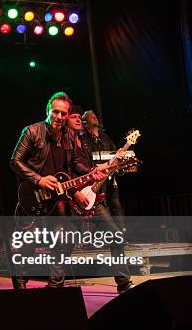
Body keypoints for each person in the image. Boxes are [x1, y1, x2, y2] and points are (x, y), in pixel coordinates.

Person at [10, 92, 103, 290]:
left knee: (64, 240)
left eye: (63, 113)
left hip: (58, 198)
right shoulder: (32, 131)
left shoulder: (70, 135)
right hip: (33, 195)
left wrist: (90, 173)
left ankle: (55, 287)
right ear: (48, 111)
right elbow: (15, 161)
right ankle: (20, 285)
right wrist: (39, 179)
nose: (59, 117)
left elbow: (75, 163)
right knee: (27, 246)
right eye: (56, 112)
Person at [67, 106, 134, 293]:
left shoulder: (85, 143)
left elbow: (92, 170)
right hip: (72, 199)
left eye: (79, 117)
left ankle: (124, 283)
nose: (78, 119)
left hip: (94, 199)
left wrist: (114, 162)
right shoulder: (64, 144)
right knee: (64, 246)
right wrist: (74, 192)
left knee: (116, 237)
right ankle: (55, 286)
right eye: (73, 117)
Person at [82, 110, 125, 217]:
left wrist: (118, 158)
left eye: (95, 116)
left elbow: (115, 156)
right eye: (92, 117)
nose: (95, 118)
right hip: (95, 180)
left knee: (117, 207)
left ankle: (121, 232)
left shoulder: (105, 138)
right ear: (85, 122)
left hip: (110, 179)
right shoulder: (83, 139)